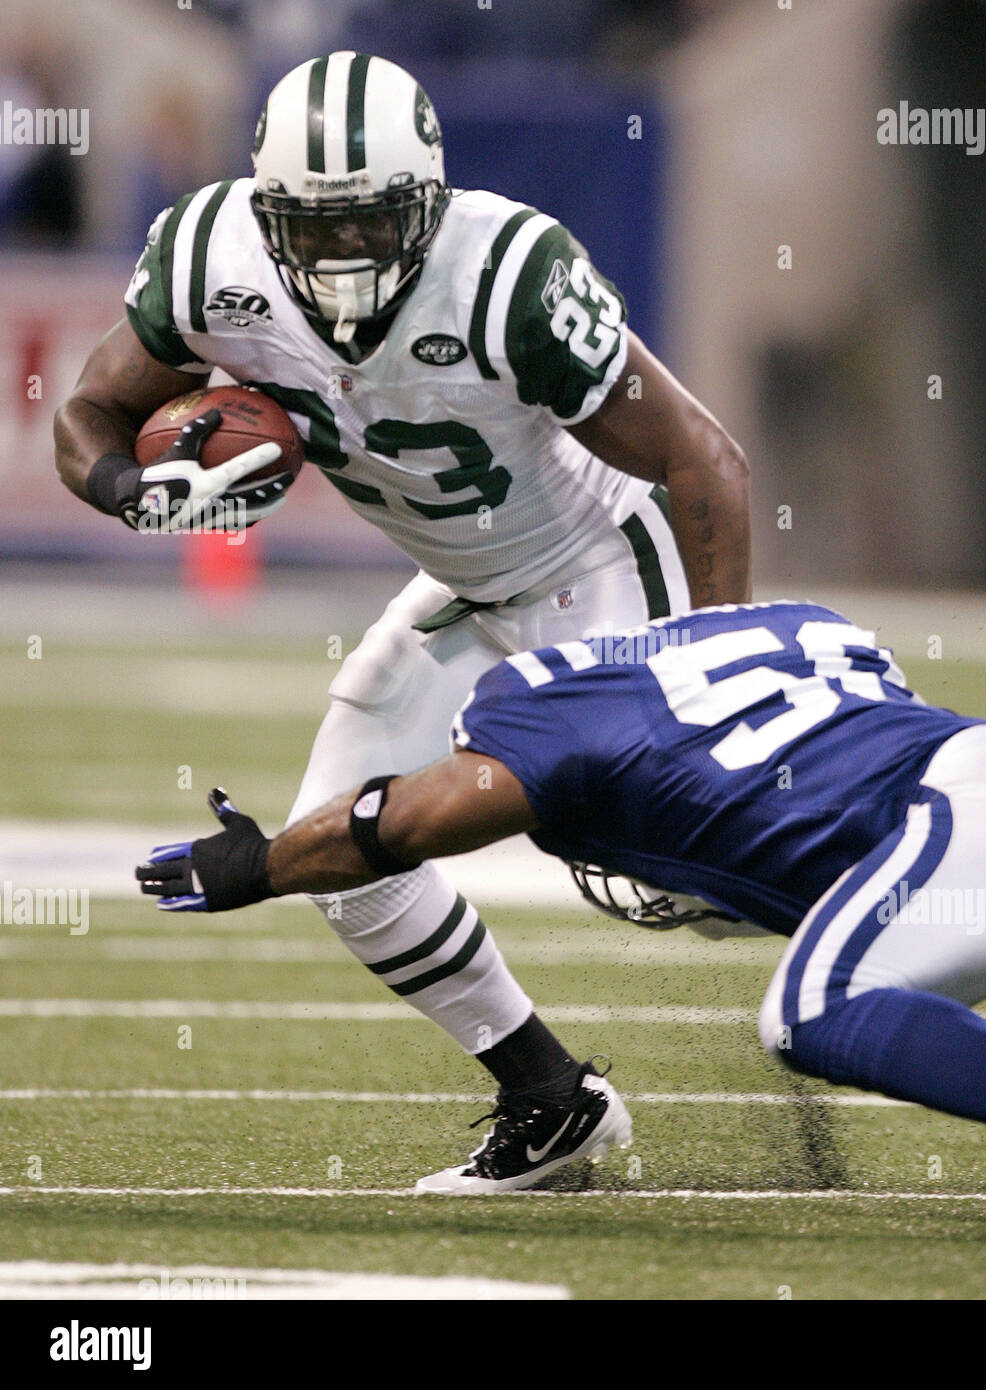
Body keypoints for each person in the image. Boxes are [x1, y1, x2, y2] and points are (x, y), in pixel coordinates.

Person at [53, 50, 751, 1193]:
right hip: (463, 586)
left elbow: (701, 457)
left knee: (686, 867)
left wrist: (729, 669)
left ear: (427, 204)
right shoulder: (210, 258)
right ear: (263, 211)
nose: (338, 258)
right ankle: (550, 1100)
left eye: (369, 225)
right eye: (310, 227)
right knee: (345, 855)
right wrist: (133, 493)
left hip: (596, 563)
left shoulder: (505, 274)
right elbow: (87, 409)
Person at [134, 601, 986, 1242]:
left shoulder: (543, 728)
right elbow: (859, 769)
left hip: (983, 823)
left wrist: (258, 864)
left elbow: (404, 819)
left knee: (818, 1008)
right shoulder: (786, 628)